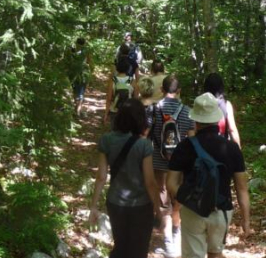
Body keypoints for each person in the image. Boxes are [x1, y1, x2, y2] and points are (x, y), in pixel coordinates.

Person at [167, 93, 251, 258]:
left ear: (195, 121)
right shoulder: (232, 148)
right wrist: (246, 219)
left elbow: (170, 183)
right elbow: (242, 189)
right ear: (217, 119)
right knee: (216, 253)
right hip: (221, 209)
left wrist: (188, 199)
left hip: (192, 210)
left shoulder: (184, 147)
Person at [88, 99, 162, 258]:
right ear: (140, 119)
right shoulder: (144, 145)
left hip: (115, 202)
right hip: (141, 206)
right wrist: (158, 210)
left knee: (121, 246)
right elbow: (150, 182)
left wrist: (93, 206)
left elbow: (101, 176)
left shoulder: (106, 140)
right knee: (139, 249)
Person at [151, 74, 195, 257]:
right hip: (180, 163)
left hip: (158, 160)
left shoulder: (154, 109)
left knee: (163, 198)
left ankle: (168, 238)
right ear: (179, 91)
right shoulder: (187, 111)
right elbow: (192, 139)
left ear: (162, 89)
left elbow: (148, 135)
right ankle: (176, 233)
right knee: (178, 198)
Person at [203, 73, 241, 148]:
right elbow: (232, 129)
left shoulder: (201, 104)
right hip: (222, 146)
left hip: (204, 146)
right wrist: (239, 150)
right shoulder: (226, 105)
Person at [105, 58, 138, 126]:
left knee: (114, 131)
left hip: (114, 110)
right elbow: (135, 99)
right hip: (127, 111)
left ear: (117, 68)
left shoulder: (113, 80)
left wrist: (106, 114)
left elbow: (109, 98)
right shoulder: (132, 81)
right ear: (128, 68)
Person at [68, 37, 93, 115]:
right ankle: (78, 110)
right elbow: (89, 62)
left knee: (75, 91)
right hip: (83, 75)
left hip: (73, 74)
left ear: (76, 43)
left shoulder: (72, 51)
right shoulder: (86, 52)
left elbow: (68, 62)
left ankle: (76, 107)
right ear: (84, 43)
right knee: (81, 92)